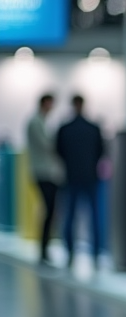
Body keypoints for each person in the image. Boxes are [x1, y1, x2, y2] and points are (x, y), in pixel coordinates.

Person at [55, 95, 105, 270]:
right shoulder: (94, 128)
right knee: (94, 216)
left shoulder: (65, 128)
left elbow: (58, 151)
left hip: (71, 177)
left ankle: (70, 253)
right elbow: (101, 151)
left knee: (69, 216)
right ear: (83, 105)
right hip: (90, 177)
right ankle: (96, 254)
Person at [25, 94, 64, 264]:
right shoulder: (35, 122)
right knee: (48, 210)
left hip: (47, 173)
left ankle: (45, 248)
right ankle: (43, 249)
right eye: (51, 104)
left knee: (50, 210)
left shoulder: (41, 122)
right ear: (44, 103)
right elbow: (47, 145)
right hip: (43, 173)